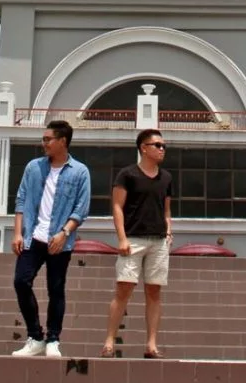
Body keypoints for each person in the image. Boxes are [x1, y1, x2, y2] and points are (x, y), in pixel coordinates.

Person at [11, 120, 91, 358]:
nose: (43, 143)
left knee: (56, 289)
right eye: (43, 139)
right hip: (33, 237)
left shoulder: (80, 171)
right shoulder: (33, 167)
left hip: (60, 240)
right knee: (20, 281)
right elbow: (21, 199)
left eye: (48, 139)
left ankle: (53, 339)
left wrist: (64, 232)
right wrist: (17, 233)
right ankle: (35, 337)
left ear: (62, 141)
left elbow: (81, 209)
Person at [100, 128, 174, 359]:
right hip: (132, 240)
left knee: (154, 292)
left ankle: (151, 345)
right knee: (123, 289)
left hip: (159, 242)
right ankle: (109, 341)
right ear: (143, 147)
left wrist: (169, 231)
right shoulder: (127, 175)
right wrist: (121, 238)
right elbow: (117, 207)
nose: (162, 149)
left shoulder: (166, 178)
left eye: (163, 146)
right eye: (157, 145)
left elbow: (167, 210)